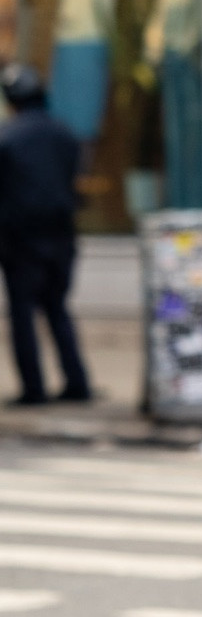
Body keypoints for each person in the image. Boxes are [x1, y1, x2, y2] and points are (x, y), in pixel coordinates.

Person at [0, 64, 92, 407]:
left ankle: (34, 388)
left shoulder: (7, 138)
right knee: (57, 309)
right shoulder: (65, 134)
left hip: (21, 241)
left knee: (23, 314)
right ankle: (77, 382)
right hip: (62, 237)